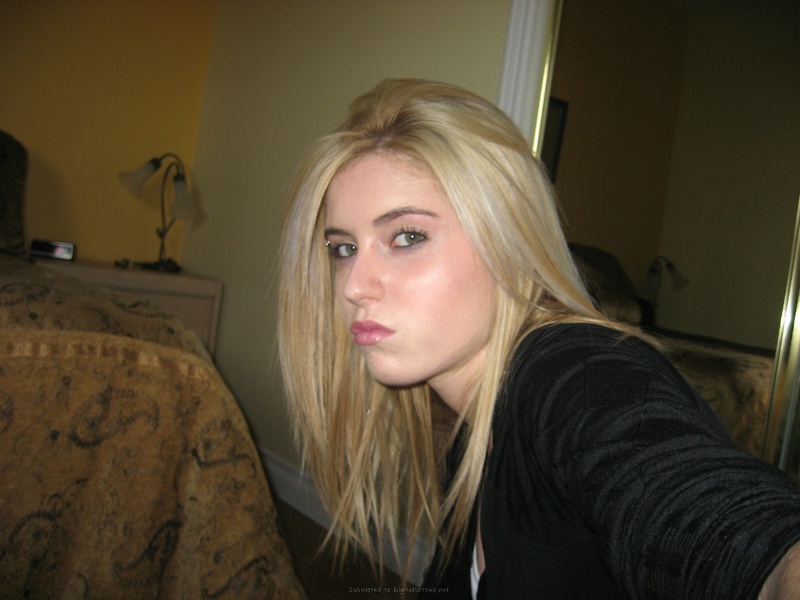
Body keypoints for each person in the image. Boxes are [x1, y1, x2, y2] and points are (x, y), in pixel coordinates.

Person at [277, 78, 800, 598]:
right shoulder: (471, 432)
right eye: (343, 248)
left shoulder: (577, 375)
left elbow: (726, 528)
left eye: (407, 236)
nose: (354, 286)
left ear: (509, 240)